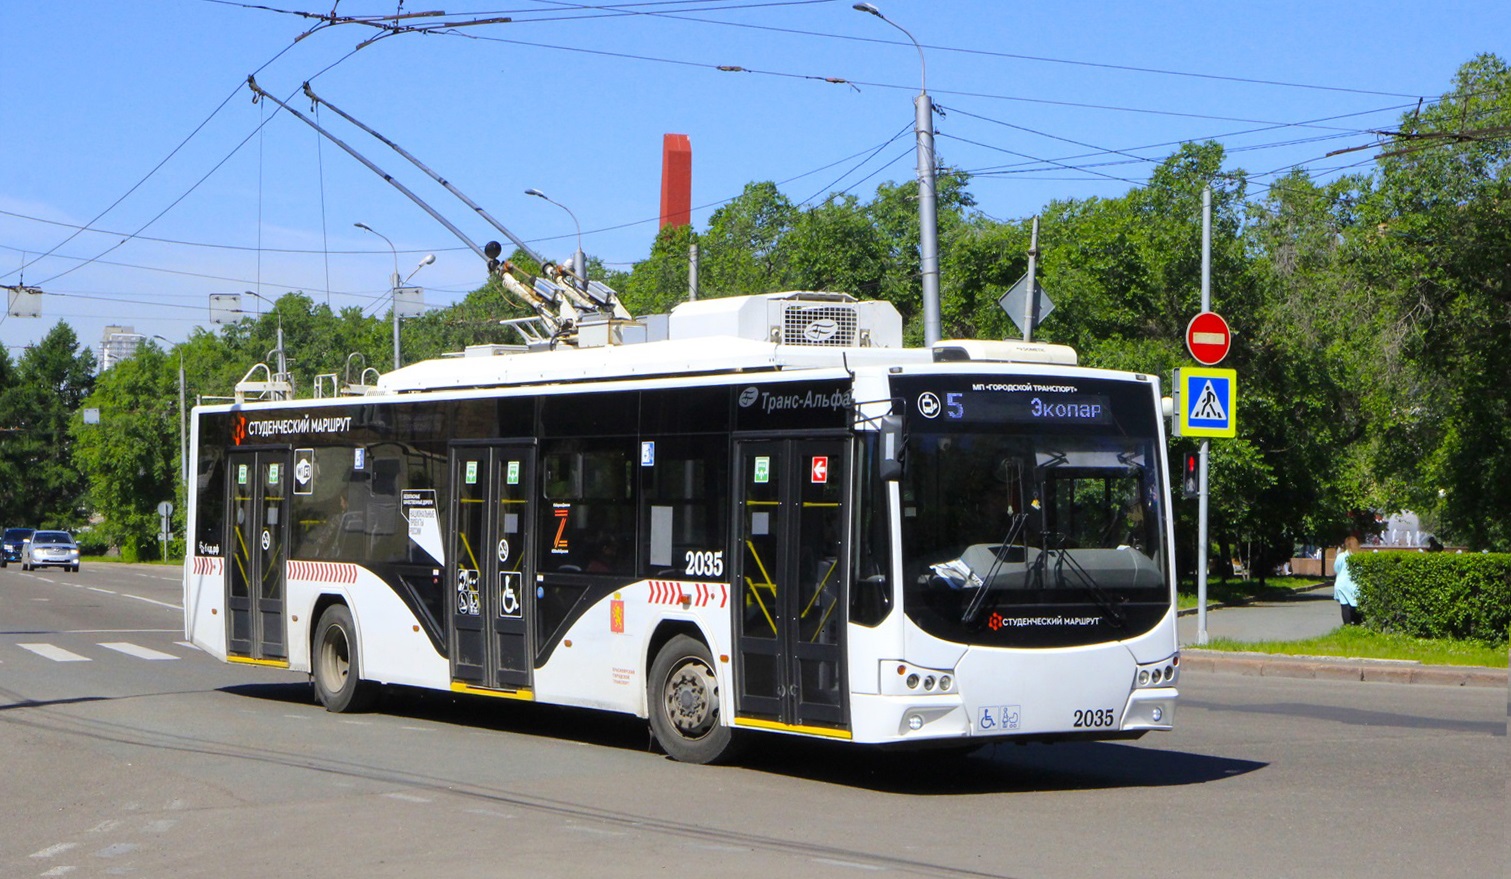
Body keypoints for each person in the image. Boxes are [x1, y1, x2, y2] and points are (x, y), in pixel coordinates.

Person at [1334, 535, 1363, 625]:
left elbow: (1336, 569)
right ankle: (1357, 624)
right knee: (1355, 605)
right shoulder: (1359, 557)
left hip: (1342, 584)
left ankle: (1347, 626)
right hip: (1354, 584)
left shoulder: (1341, 556)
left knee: (1344, 605)